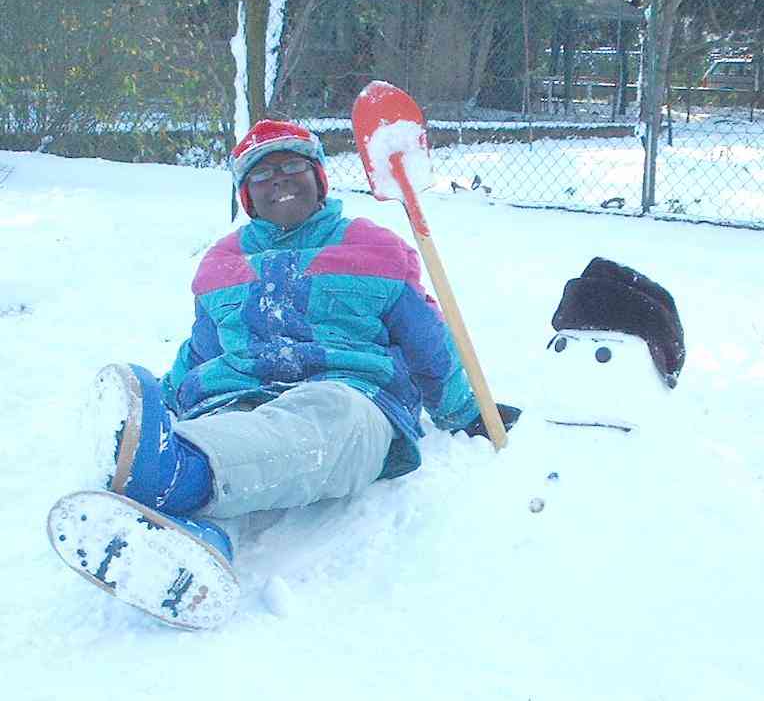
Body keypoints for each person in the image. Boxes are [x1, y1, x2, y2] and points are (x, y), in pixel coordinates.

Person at [52, 119, 520, 628]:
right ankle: (193, 543)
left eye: (292, 166)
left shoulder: (374, 248)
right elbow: (204, 349)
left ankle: (166, 476)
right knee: (223, 429)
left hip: (350, 398)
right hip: (241, 395)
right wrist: (161, 406)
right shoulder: (221, 262)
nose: (279, 180)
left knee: (324, 415)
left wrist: (465, 411)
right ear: (247, 196)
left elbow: (430, 342)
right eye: (262, 175)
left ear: (319, 177)